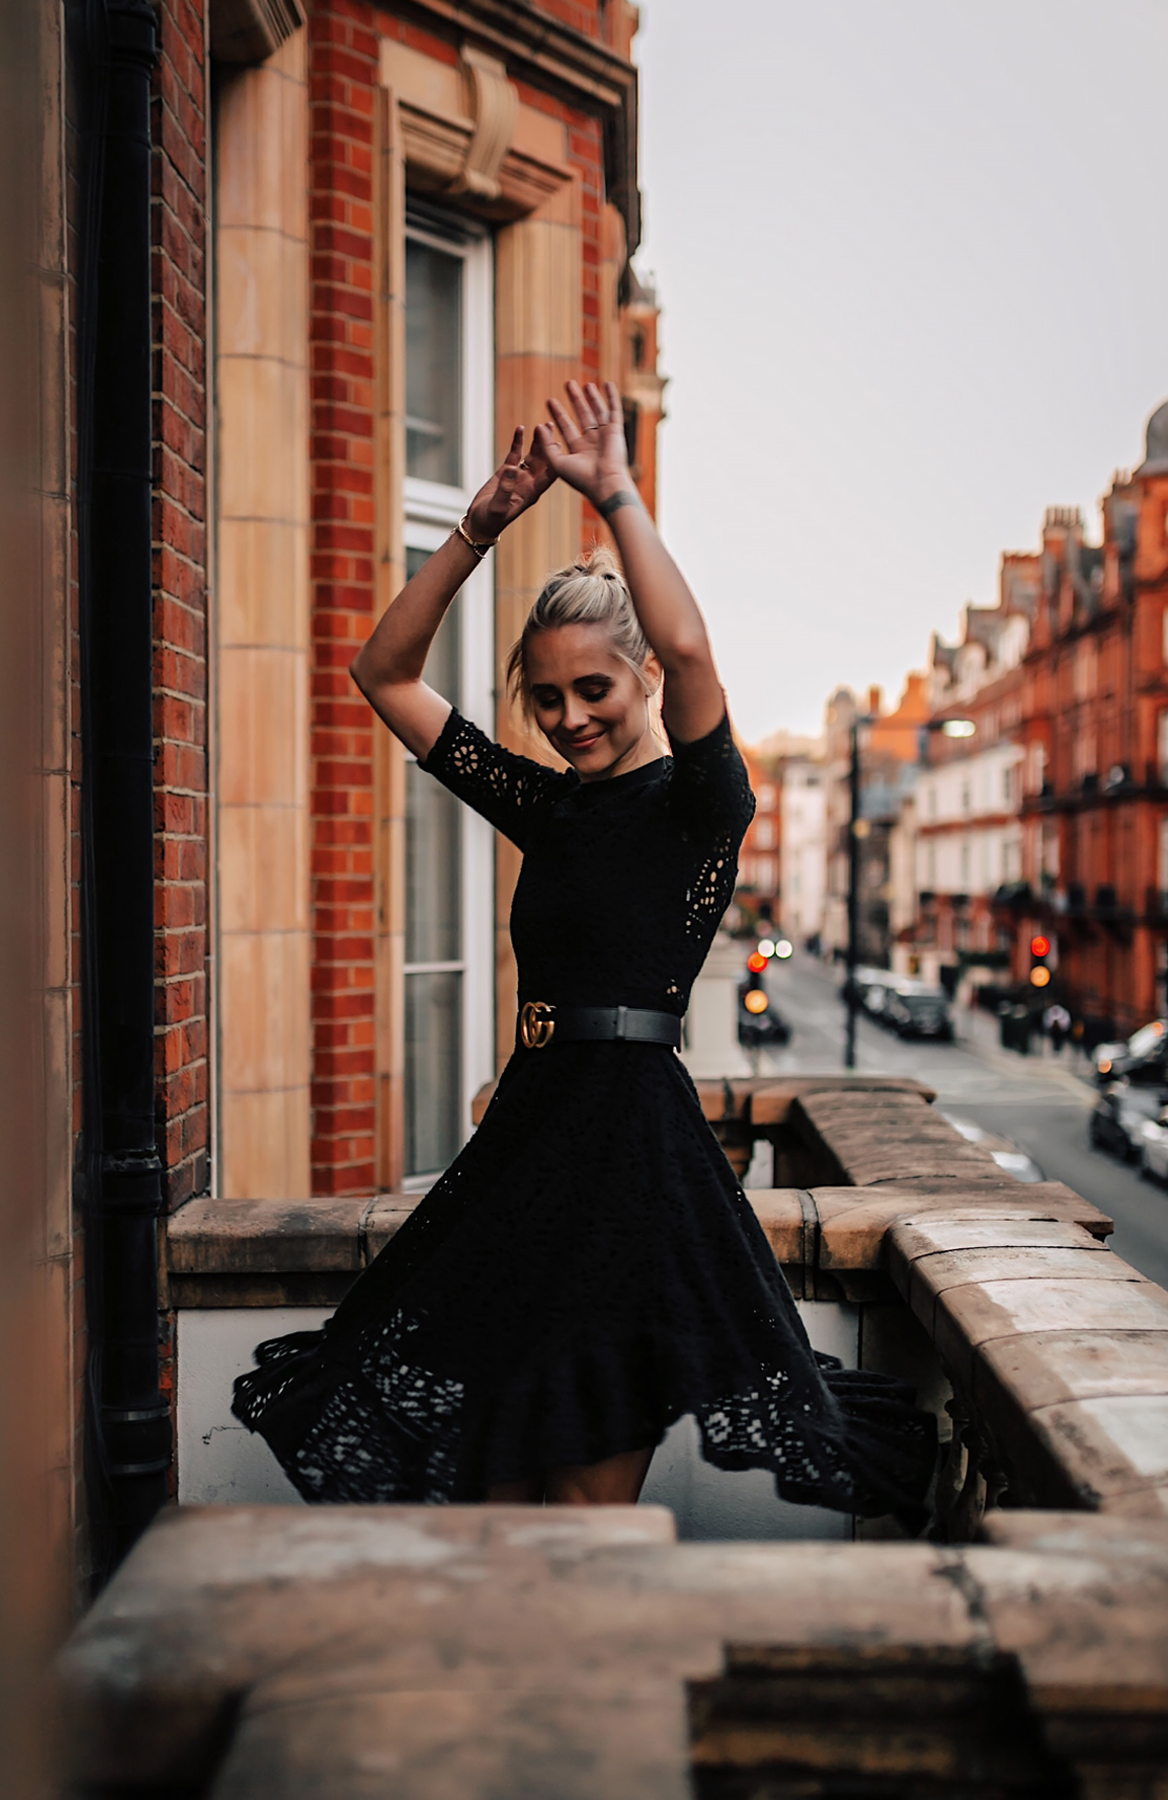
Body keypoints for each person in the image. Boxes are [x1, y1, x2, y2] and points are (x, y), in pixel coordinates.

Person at [232, 381, 936, 1518]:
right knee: (494, 1498)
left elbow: (694, 642)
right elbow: (385, 677)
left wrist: (615, 492)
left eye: (594, 689)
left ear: (642, 680)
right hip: (525, 1152)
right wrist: (476, 529)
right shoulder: (548, 806)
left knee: (583, 1509)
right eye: (547, 698)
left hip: (632, 1171)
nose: (569, 718)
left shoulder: (699, 804)